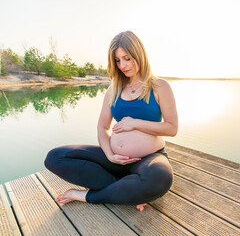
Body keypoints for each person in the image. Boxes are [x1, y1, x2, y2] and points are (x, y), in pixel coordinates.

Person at [44, 30, 178, 211]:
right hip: (114, 160)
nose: (122, 65)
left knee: (160, 178)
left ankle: (87, 195)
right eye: (117, 60)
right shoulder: (113, 90)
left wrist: (135, 123)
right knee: (55, 157)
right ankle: (130, 190)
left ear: (139, 54)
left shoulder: (160, 86)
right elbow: (102, 127)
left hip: (148, 159)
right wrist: (109, 155)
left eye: (127, 58)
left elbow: (171, 128)